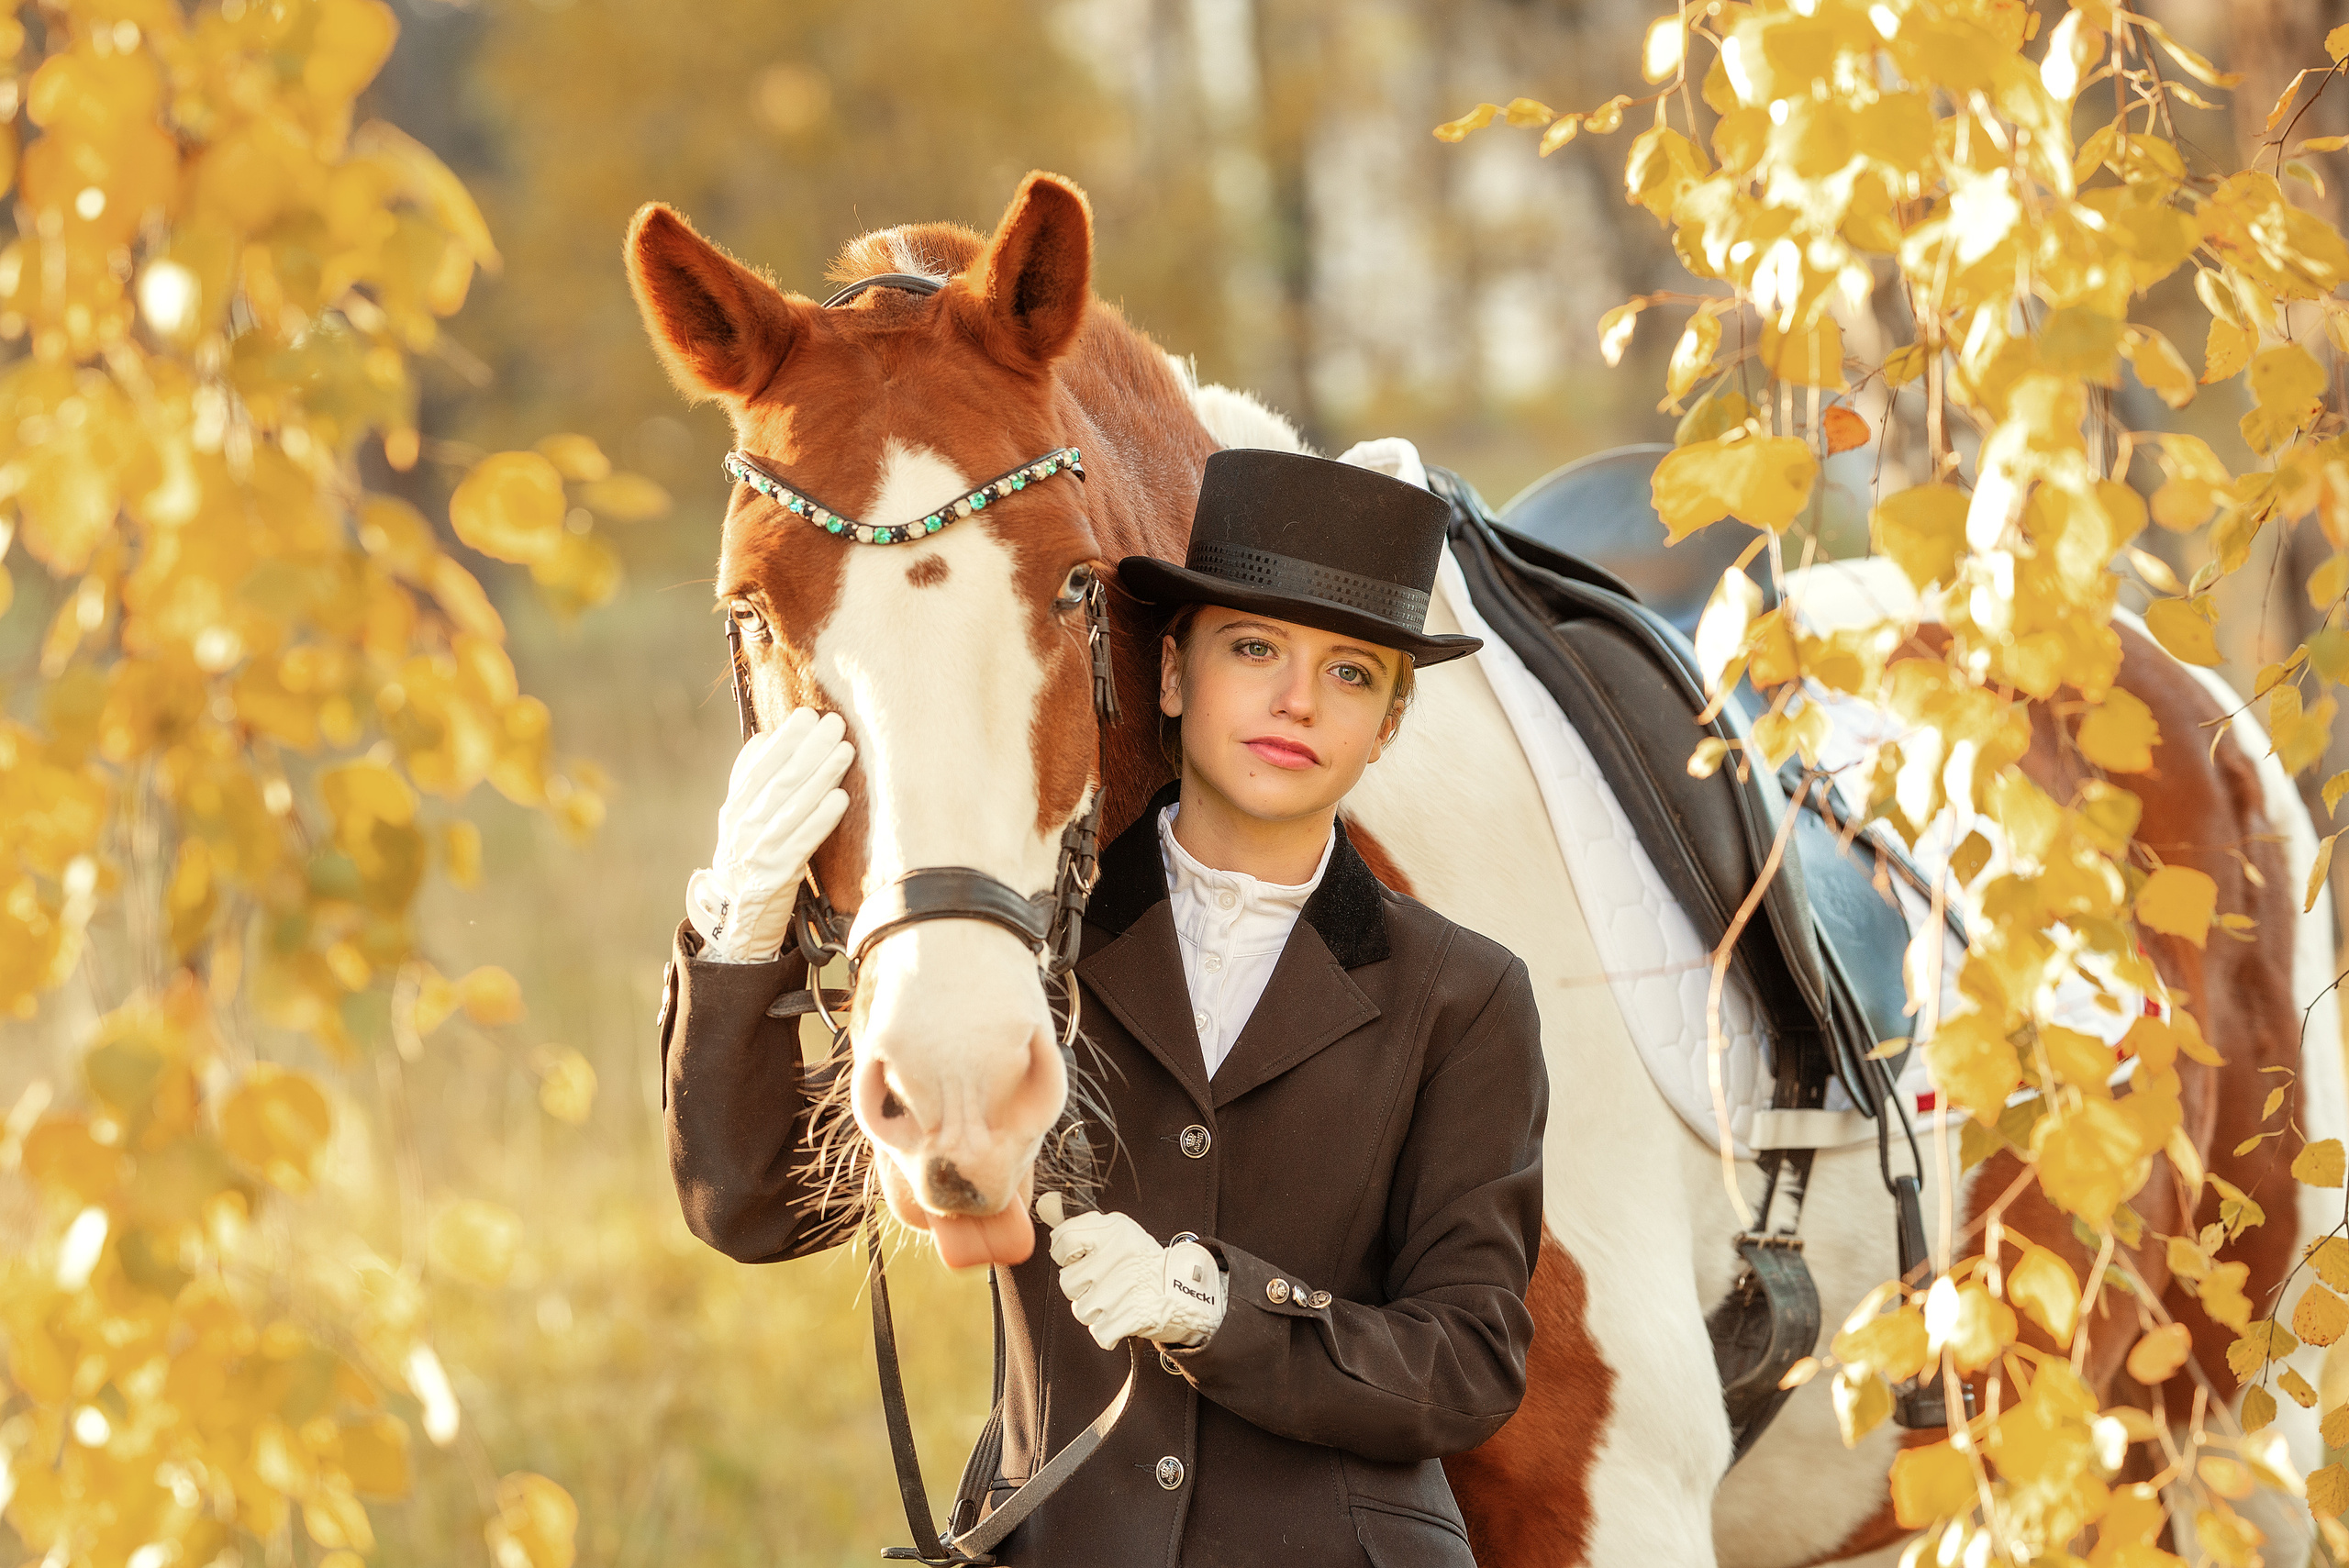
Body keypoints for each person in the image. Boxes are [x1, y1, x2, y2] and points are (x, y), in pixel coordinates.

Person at [658, 448, 1548, 1566]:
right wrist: (735, 931)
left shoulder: (1464, 995)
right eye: (1255, 648)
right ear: (1171, 674)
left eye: (1353, 673)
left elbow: (1467, 1364)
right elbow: (759, 1207)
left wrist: (1216, 1307)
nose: (1296, 700)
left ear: (1389, 725)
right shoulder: (1021, 943)